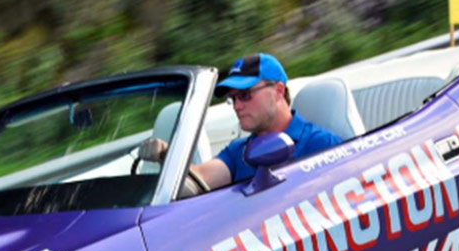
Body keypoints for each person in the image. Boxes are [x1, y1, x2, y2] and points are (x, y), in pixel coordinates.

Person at [140, 53, 344, 193]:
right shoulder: (238, 152)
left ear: (279, 91)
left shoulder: (320, 143)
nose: (237, 106)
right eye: (233, 98)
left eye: (245, 95)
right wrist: (167, 154)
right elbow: (199, 180)